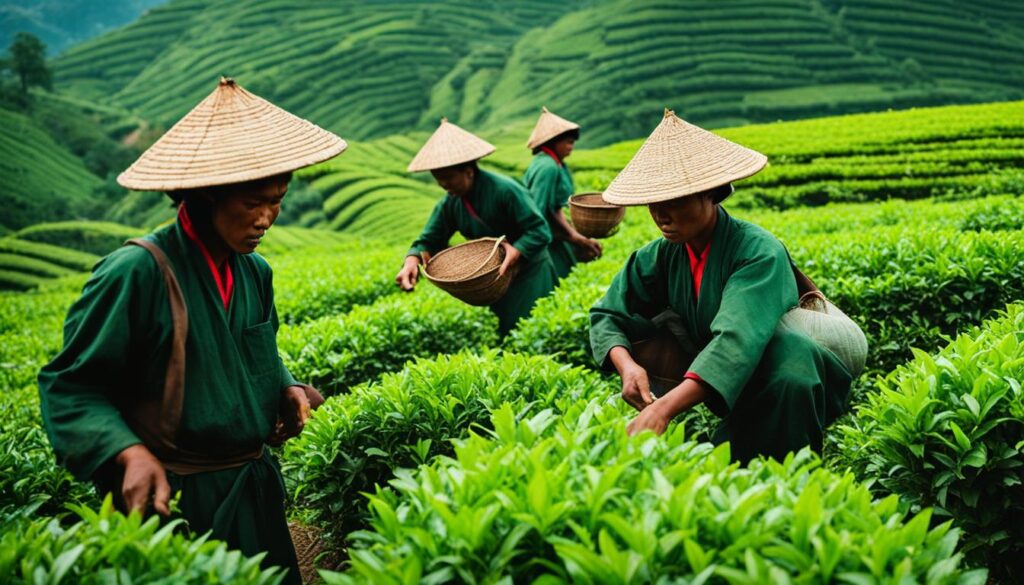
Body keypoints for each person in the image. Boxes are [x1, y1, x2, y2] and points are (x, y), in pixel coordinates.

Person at [38, 77, 346, 583]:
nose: (267, 217)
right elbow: (72, 387)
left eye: (278, 200)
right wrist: (128, 454)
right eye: (252, 202)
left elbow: (255, 352)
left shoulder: (254, 271)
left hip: (253, 487)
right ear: (203, 195)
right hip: (177, 501)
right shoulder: (135, 274)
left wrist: (286, 385)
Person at [589, 109, 856, 463]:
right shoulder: (662, 255)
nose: (660, 215)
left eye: (675, 200)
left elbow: (735, 340)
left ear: (711, 194)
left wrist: (663, 409)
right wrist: (626, 365)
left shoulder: (758, 252)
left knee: (778, 471)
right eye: (654, 202)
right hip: (736, 379)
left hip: (787, 375)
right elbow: (607, 313)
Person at [395, 118, 557, 336]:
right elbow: (429, 240)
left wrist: (516, 251)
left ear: (468, 171)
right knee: (504, 332)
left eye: (448, 178)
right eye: (438, 180)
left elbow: (539, 230)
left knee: (530, 330)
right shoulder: (450, 202)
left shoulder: (505, 190)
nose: (444, 185)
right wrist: (411, 261)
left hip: (529, 271)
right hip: (492, 279)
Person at [523, 107, 602, 279]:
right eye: (568, 142)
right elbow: (541, 209)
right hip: (546, 235)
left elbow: (555, 207)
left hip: (554, 231)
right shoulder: (548, 168)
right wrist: (574, 236)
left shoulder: (553, 163)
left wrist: (574, 233)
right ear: (554, 142)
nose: (571, 147)